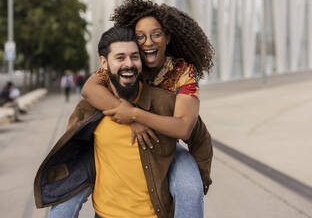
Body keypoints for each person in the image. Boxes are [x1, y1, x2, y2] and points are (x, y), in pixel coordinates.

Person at [34, 26, 212, 218]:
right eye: (120, 58)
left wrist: (194, 183)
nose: (129, 64)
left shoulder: (164, 102)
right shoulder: (91, 106)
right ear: (104, 62)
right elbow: (73, 147)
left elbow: (198, 136)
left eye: (134, 57)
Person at [81, 0, 214, 217]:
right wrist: (131, 120)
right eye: (140, 37)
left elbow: (183, 128)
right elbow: (90, 89)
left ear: (168, 37)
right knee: (65, 200)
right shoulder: (129, 59)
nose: (148, 42)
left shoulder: (182, 71)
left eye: (156, 35)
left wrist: (135, 115)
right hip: (125, 140)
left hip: (168, 142)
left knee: (190, 188)